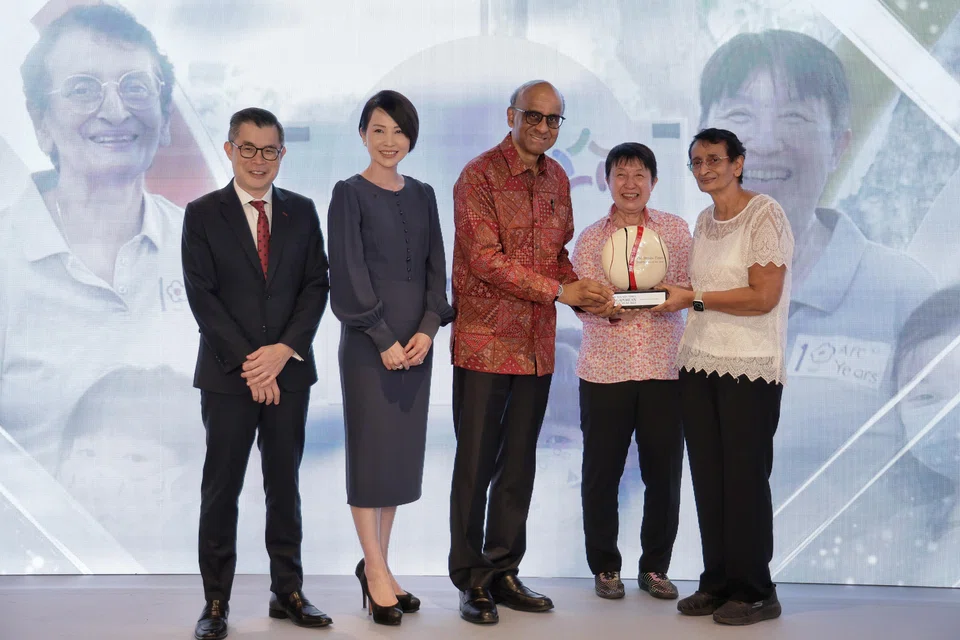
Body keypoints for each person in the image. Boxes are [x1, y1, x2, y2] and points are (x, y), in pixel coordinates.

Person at [697, 30, 936, 528]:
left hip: (856, 594)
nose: (762, 141)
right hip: (687, 587)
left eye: (795, 116)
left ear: (839, 146)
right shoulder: (669, 280)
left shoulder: (906, 294)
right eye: (739, 117)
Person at [0, 3, 196, 479]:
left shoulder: (211, 249)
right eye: (82, 89)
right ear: (41, 121)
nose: (114, 110)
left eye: (136, 87)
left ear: (164, 115)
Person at [448, 79, 612, 625]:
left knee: (518, 467)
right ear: (511, 115)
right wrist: (560, 291)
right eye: (533, 117)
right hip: (485, 346)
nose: (543, 127)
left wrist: (586, 296)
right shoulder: (478, 175)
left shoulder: (558, 177)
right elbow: (484, 260)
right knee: (475, 466)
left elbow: (556, 258)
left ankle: (503, 569)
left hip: (537, 348)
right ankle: (471, 579)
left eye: (553, 120)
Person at [181, 108, 331, 639]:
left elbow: (317, 286)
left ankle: (286, 590)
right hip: (228, 378)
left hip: (288, 374)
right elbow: (204, 298)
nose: (259, 160)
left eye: (270, 150)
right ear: (229, 150)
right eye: (248, 148)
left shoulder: (303, 212)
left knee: (283, 485)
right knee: (221, 488)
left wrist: (283, 351)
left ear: (282, 155)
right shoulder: (202, 213)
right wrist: (254, 362)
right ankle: (216, 601)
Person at [327, 90, 455, 626]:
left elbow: (435, 268)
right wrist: (382, 337)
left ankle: (379, 565)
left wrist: (428, 330)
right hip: (367, 346)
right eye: (378, 130)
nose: (389, 141)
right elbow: (348, 272)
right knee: (370, 457)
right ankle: (375, 571)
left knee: (398, 462)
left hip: (416, 346)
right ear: (362, 134)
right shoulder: (348, 193)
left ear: (411, 138)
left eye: (399, 131)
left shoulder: (423, 193)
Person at [656, 128, 794, 626]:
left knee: (744, 480)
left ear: (738, 163)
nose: (704, 169)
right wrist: (675, 292)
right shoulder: (703, 219)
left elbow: (762, 296)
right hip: (697, 362)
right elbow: (706, 288)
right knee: (709, 478)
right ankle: (717, 582)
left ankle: (756, 590)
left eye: (714, 159)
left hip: (749, 369)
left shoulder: (766, 214)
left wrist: (691, 297)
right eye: (695, 162)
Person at [570, 142, 691, 600]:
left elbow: (690, 290)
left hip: (664, 369)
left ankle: (654, 568)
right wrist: (603, 308)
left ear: (654, 182)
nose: (630, 184)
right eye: (621, 175)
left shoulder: (676, 232)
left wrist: (668, 294)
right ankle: (605, 568)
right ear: (607, 181)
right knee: (601, 474)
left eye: (640, 175)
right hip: (604, 370)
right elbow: (583, 303)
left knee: (664, 475)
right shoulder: (591, 238)